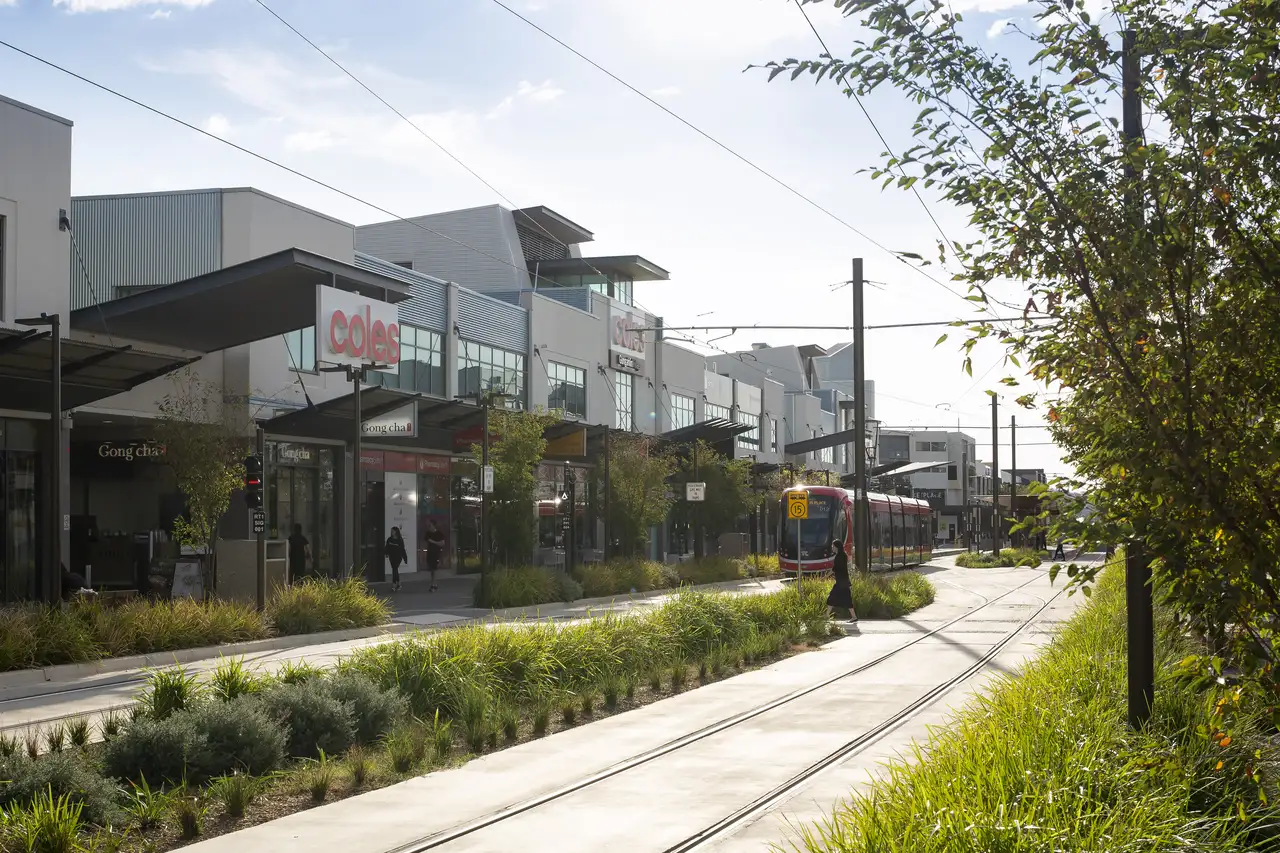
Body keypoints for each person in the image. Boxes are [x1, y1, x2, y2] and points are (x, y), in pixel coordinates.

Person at [826, 540, 857, 626]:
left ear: (836, 547)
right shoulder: (842, 555)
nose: (832, 548)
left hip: (841, 582)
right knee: (847, 599)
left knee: (831, 597)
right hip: (843, 581)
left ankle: (826, 616)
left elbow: (834, 569)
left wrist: (825, 577)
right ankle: (854, 617)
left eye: (833, 546)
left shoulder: (840, 556)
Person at [424, 520, 446, 593]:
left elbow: (442, 543)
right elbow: (426, 540)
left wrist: (433, 542)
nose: (429, 527)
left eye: (430, 525)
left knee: (434, 569)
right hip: (429, 553)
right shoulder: (428, 533)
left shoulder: (439, 534)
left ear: (434, 525)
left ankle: (433, 585)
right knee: (432, 570)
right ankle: (434, 584)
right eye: (428, 526)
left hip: (436, 553)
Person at [385, 526, 408, 592]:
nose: (391, 532)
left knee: (394, 569)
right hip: (391, 557)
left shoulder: (399, 540)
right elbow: (387, 547)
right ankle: (398, 583)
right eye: (391, 531)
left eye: (393, 531)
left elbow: (402, 550)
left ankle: (394, 584)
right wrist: (386, 553)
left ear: (396, 532)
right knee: (395, 569)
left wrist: (405, 558)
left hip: (398, 557)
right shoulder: (389, 539)